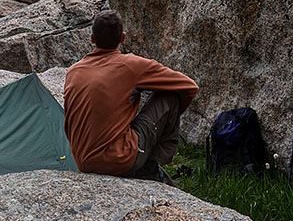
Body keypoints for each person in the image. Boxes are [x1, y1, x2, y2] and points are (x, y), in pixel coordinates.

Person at [63, 10, 198, 185]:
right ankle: (149, 163)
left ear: (92, 39)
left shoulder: (73, 71)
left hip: (83, 161)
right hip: (120, 160)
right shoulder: (133, 66)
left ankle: (143, 158)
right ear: (122, 38)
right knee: (170, 95)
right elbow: (189, 87)